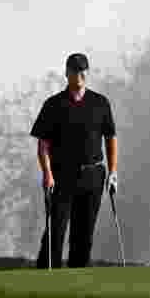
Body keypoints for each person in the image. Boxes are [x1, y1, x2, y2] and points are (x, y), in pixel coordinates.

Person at [31, 52, 119, 268]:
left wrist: (113, 172)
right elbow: (43, 145)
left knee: (84, 234)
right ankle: (44, 277)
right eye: (73, 70)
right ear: (66, 73)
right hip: (62, 175)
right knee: (56, 230)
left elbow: (110, 138)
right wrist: (48, 174)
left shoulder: (100, 103)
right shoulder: (53, 105)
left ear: (86, 73)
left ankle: (77, 281)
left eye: (81, 70)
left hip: (93, 175)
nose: (78, 74)